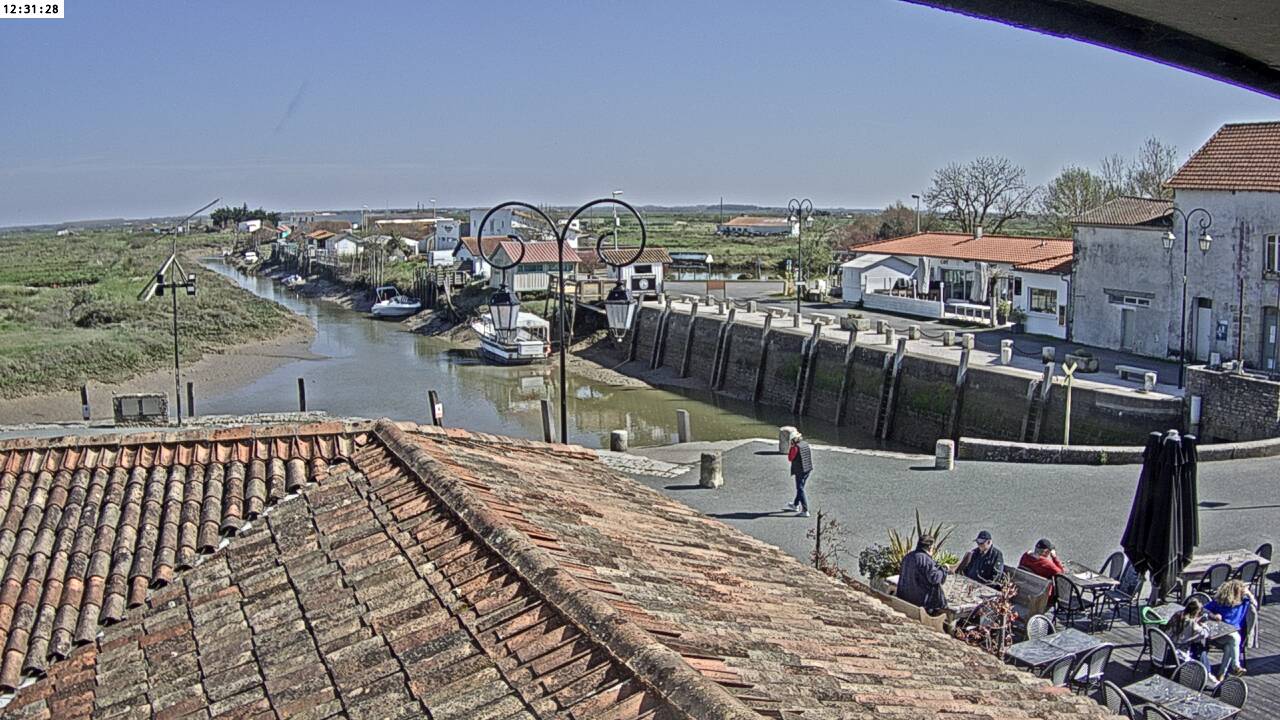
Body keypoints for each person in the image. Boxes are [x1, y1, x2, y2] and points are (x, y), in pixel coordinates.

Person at [1204, 579, 1254, 677]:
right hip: (1218, 635)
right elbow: (1203, 609)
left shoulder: (1244, 602)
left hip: (1232, 636)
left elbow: (1254, 605)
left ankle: (1221, 675)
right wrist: (1213, 615)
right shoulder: (1219, 602)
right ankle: (1236, 666)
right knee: (1235, 638)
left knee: (1229, 646)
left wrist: (1249, 594)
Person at [1168, 597, 1221, 685]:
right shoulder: (1191, 624)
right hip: (1181, 655)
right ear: (1196, 612)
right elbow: (1205, 633)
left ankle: (1209, 675)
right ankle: (1208, 676)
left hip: (1169, 649)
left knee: (1198, 646)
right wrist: (1204, 625)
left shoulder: (1177, 615)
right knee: (1200, 648)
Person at [897, 534, 949, 615]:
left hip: (904, 598)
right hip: (920, 603)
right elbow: (934, 579)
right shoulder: (926, 560)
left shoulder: (908, 556)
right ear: (930, 547)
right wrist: (944, 569)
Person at [784, 433, 813, 518]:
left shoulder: (795, 448)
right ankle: (795, 504)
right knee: (801, 488)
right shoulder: (805, 444)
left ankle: (805, 510)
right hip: (807, 469)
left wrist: (791, 447)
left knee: (800, 489)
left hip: (800, 470)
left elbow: (790, 458)